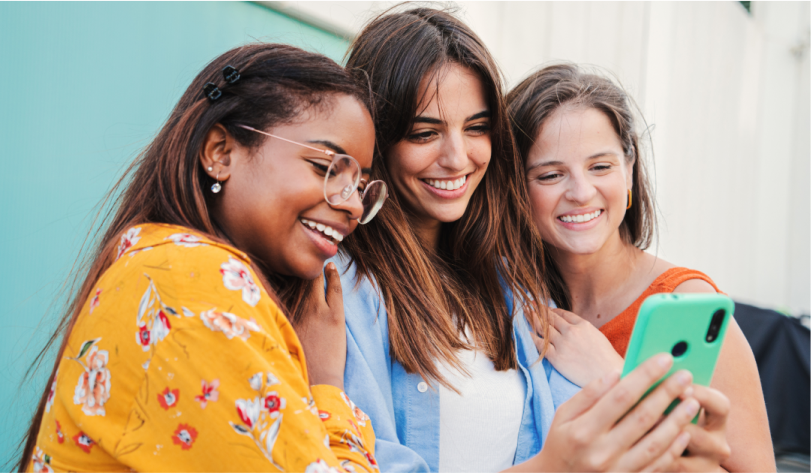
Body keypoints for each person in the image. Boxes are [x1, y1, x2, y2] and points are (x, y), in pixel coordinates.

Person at [296, 8, 729, 473]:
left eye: (477, 128)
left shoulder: (508, 284)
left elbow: (593, 445)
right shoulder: (337, 288)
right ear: (375, 137)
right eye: (425, 133)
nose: (458, 158)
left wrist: (619, 382)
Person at [16, 43, 388, 473]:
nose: (355, 207)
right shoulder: (192, 285)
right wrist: (327, 387)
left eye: (360, 185)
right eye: (326, 168)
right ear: (219, 152)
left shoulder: (159, 263)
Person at [507, 63, 775, 472]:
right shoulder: (510, 296)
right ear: (514, 189)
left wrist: (618, 377)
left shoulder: (688, 304)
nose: (581, 192)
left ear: (630, 170)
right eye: (551, 174)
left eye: (600, 167)